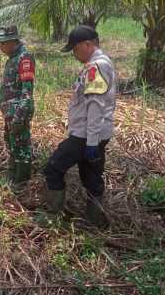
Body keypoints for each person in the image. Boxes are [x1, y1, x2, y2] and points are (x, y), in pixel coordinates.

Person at [44, 25, 117, 226]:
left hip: (86, 135)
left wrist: (91, 142)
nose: (75, 55)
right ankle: (95, 221)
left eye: (75, 50)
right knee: (91, 176)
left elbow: (95, 105)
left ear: (88, 44)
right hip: (94, 134)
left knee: (53, 168)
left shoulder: (96, 66)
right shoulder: (100, 64)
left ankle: (53, 217)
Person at [0, 25, 36, 189]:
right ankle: (13, 176)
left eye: (3, 43)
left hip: (18, 111)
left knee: (21, 147)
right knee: (12, 144)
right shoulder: (12, 57)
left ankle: (21, 183)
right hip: (10, 112)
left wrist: (20, 114)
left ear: (12, 42)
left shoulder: (24, 58)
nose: (0, 47)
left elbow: (27, 91)